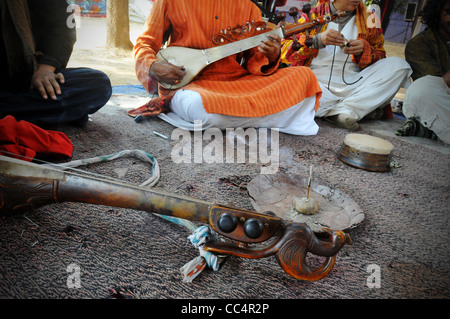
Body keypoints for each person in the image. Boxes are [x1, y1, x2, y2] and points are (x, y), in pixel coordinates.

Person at [133, 0, 322, 136]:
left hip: (238, 83)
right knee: (199, 107)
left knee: (304, 77)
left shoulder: (247, 6)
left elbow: (254, 58)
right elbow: (146, 42)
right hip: (193, 85)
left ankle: (234, 118)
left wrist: (271, 55)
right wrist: (153, 66)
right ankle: (270, 116)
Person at [280, 0, 411, 130]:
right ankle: (351, 110)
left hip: (354, 84)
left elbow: (381, 56)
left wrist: (365, 50)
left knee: (399, 66)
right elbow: (284, 50)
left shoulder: (371, 19)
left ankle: (341, 110)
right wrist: (316, 40)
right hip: (316, 84)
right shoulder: (313, 15)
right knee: (294, 83)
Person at [0, 0, 112, 127]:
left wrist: (46, 67)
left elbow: (63, 23)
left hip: (29, 74)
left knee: (97, 84)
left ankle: (15, 114)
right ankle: (53, 113)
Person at [396, 0, 450, 144]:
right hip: (442, 103)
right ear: (437, 13)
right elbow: (435, 87)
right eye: (449, 12)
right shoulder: (419, 44)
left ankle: (431, 131)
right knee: (421, 89)